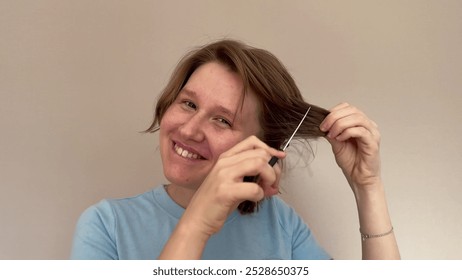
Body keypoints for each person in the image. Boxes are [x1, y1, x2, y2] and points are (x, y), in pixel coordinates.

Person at [71, 39, 400, 260]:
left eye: (223, 121)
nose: (188, 130)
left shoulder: (282, 227)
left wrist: (367, 186)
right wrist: (197, 222)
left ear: (262, 149)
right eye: (187, 103)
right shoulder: (106, 225)